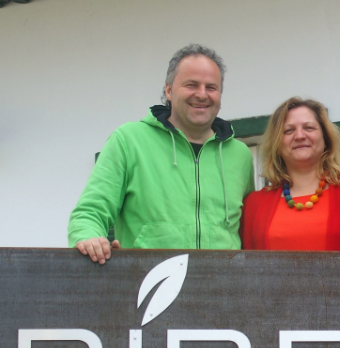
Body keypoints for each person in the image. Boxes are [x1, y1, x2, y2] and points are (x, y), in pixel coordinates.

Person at [68, 44, 254, 264]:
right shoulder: (129, 140)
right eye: (191, 85)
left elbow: (248, 231)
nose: (202, 94)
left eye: (211, 87)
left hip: (221, 290)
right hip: (149, 287)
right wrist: (89, 238)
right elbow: (89, 212)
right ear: (168, 90)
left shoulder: (240, 155)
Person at [241, 98, 340, 251]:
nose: (299, 136)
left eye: (309, 128)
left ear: (326, 138)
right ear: (277, 145)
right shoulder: (253, 205)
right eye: (288, 130)